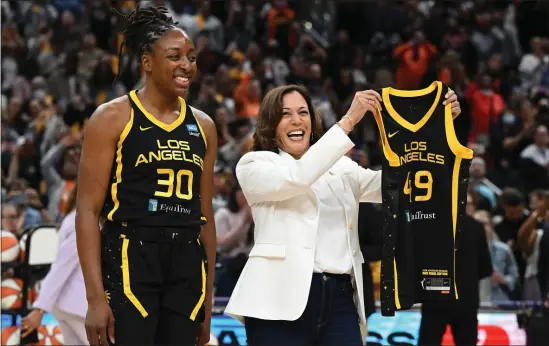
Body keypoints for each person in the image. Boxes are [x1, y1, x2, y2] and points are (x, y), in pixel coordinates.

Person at [224, 84, 461, 345]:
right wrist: (348, 121)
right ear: (270, 123)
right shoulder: (255, 164)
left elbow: (399, 185)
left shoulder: (340, 166)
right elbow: (298, 177)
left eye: (303, 112)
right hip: (276, 300)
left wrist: (435, 131)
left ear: (312, 121)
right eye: (285, 114)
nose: (296, 120)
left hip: (339, 298)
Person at [75, 6, 217, 346]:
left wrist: (208, 305)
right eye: (175, 56)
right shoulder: (110, 118)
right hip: (130, 256)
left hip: (186, 261)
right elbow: (87, 211)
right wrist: (95, 299)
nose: (186, 65)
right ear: (147, 62)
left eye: (192, 57)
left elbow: (206, 217)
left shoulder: (204, 126)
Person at [418, 192, 493, 346]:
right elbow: (486, 269)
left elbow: (418, 262)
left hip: (435, 297)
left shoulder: (427, 225)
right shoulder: (476, 228)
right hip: (466, 299)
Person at [20, 184, 87, 345]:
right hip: (78, 306)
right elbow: (61, 268)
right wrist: (40, 309)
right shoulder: (82, 222)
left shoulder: (74, 217)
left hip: (69, 305)